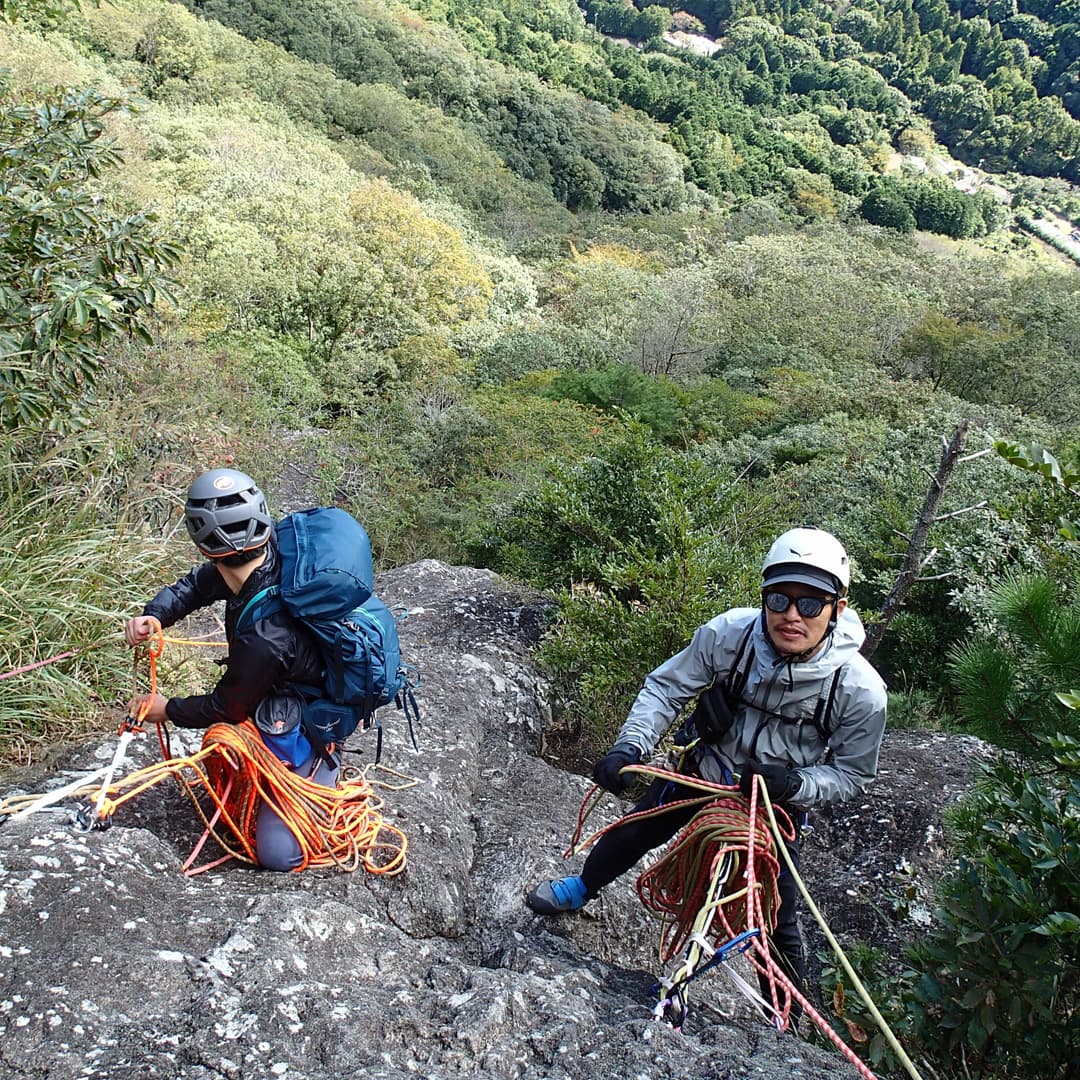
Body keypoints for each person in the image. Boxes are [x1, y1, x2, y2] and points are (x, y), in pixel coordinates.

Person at [526, 526, 887, 1016]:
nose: (791, 615)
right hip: (705, 770)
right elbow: (665, 688)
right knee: (634, 831)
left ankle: (781, 1011)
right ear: (764, 597)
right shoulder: (730, 637)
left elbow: (852, 774)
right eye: (779, 598)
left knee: (775, 909)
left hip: (770, 808)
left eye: (810, 603)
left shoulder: (858, 689)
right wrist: (629, 746)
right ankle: (581, 889)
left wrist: (797, 784)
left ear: (837, 608)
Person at [125, 467, 335, 871]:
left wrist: (165, 708)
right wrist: (154, 616)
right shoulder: (263, 556)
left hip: (304, 710)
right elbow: (196, 586)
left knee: (279, 854)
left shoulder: (266, 635)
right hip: (280, 680)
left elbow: (229, 707)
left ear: (206, 547)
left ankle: (323, 768)